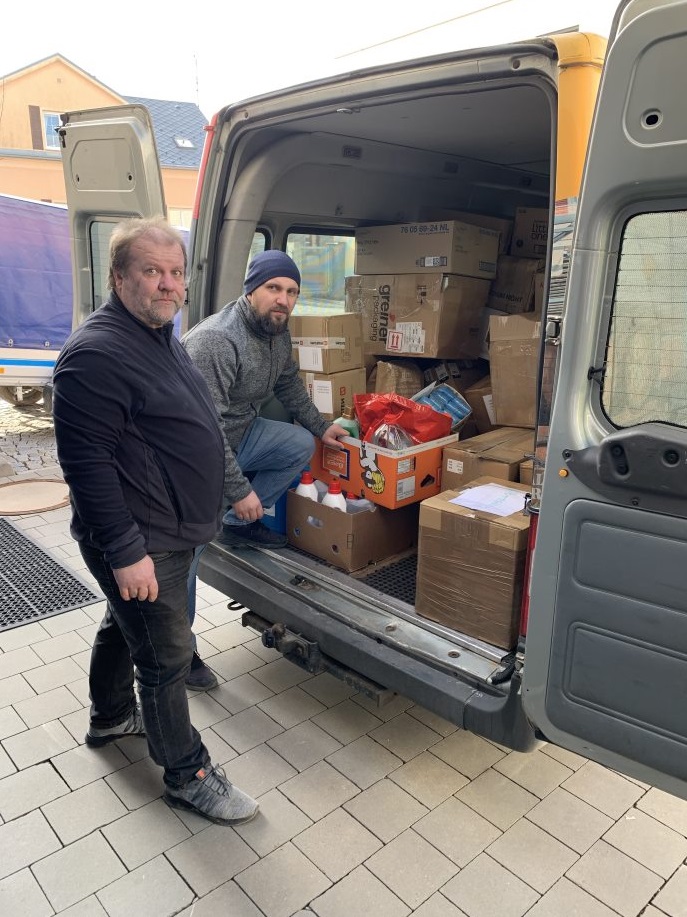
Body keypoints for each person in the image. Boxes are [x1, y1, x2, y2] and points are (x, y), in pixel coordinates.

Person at [52, 216, 259, 826]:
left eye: (176, 272)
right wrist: (125, 552)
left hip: (168, 531)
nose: (169, 284)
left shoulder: (159, 334)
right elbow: (85, 465)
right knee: (167, 658)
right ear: (119, 277)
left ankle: (111, 717)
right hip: (144, 539)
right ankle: (187, 774)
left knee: (126, 626)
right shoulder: (96, 355)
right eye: (152, 271)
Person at [182, 249, 348, 551]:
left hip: (240, 433)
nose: (283, 300)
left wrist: (321, 427)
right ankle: (211, 521)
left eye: (292, 292)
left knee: (300, 444)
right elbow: (203, 432)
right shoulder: (217, 341)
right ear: (250, 290)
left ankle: (237, 526)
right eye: (273, 288)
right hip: (192, 456)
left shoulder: (276, 330)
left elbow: (288, 383)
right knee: (188, 550)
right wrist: (240, 492)